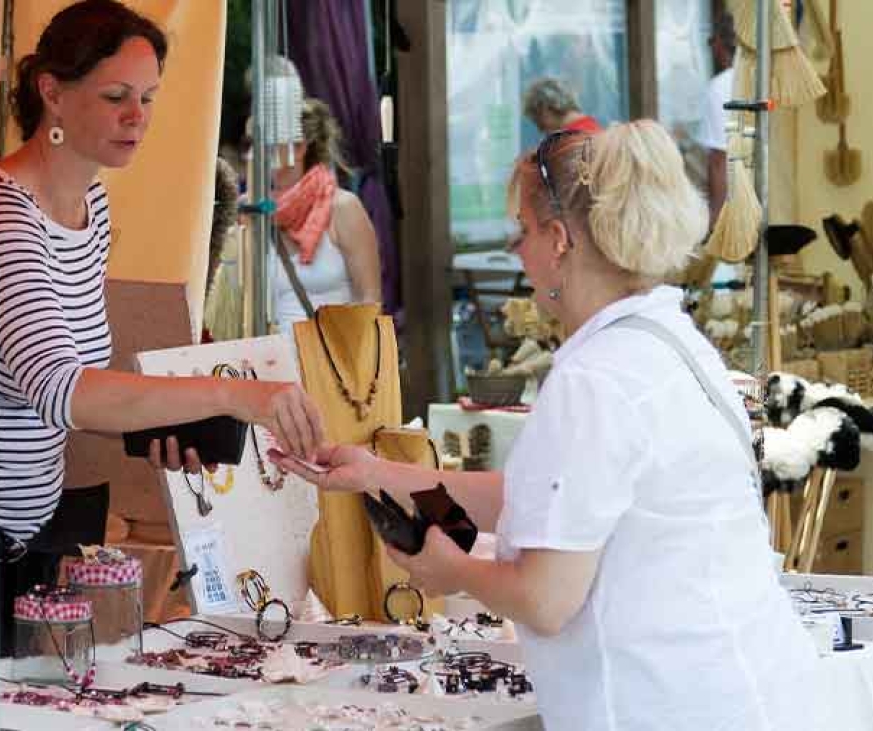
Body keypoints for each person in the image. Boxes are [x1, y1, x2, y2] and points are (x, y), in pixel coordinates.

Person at [275, 122, 818, 730]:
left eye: (524, 231)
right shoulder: (670, 341)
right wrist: (378, 474)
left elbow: (544, 599)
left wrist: (449, 571)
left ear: (559, 240)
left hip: (671, 703)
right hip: (745, 689)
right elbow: (541, 499)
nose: (518, 251)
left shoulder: (596, 378)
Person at [0, 0, 324, 658]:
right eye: (116, 95)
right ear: (52, 94)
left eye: (148, 98)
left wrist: (163, 427)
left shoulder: (86, 204)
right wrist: (233, 394)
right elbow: (68, 391)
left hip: (13, 543)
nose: (137, 117)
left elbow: (69, 386)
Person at [268, 98, 381, 333]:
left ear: (299, 148)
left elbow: (370, 301)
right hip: (271, 364)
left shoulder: (343, 207)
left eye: (268, 145)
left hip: (330, 362)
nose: (256, 154)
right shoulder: (255, 213)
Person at [698, 12, 737, 228]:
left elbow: (719, 160)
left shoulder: (721, 87)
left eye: (711, 41)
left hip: (736, 208)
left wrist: (715, 222)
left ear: (721, 42)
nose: (711, 48)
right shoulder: (764, 79)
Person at [521, 77, 602, 135]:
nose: (541, 131)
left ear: (545, 110)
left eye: (539, 123)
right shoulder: (596, 130)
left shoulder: (569, 142)